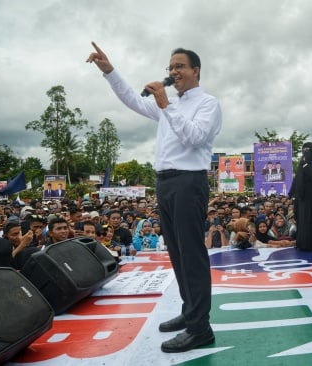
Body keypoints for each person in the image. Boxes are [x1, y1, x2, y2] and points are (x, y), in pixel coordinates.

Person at [88, 42, 221, 352]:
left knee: (192, 256)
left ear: (195, 70)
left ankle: (201, 328)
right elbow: (133, 99)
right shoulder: (169, 103)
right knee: (177, 254)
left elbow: (195, 137)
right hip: (165, 183)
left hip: (189, 182)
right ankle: (190, 314)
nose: (173, 72)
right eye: (170, 68)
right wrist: (110, 72)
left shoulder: (208, 104)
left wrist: (166, 104)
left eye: (180, 67)